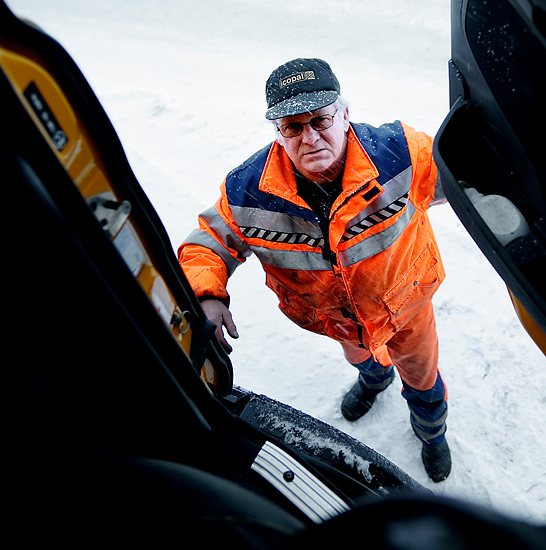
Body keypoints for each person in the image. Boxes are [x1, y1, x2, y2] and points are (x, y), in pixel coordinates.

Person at [178, 58, 451, 482]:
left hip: (408, 306)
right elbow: (207, 244)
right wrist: (206, 296)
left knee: (422, 376)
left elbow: (464, 177)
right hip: (335, 321)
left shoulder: (402, 153)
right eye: (293, 126)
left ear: (344, 115)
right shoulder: (248, 192)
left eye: (321, 119)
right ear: (279, 132)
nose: (310, 137)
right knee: (361, 357)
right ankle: (374, 380)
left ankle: (431, 433)